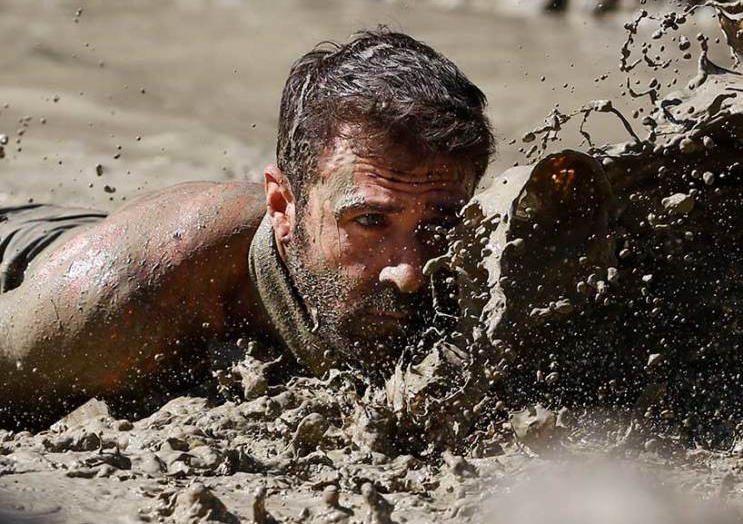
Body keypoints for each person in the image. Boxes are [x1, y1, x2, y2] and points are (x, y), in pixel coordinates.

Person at [0, 29, 494, 425]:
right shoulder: (128, 297)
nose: (410, 273)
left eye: (440, 222)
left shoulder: (482, 264)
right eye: (369, 221)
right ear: (283, 207)